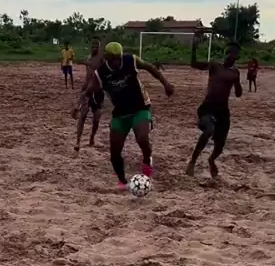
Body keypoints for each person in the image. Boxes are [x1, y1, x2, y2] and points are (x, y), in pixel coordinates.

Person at [82, 42, 174, 189]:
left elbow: (150, 67)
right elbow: (89, 90)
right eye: (113, 59)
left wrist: (166, 83)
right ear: (107, 58)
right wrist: (79, 104)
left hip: (140, 107)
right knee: (114, 151)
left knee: (142, 137)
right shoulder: (101, 72)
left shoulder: (131, 60)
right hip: (120, 113)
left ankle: (147, 160)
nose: (117, 62)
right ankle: (122, 181)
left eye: (118, 58)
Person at [185, 35, 242, 179]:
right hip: (208, 107)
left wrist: (237, 84)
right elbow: (193, 64)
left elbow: (238, 93)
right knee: (209, 130)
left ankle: (211, 160)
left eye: (231, 53)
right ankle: (193, 161)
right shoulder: (215, 66)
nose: (228, 55)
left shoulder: (235, 73)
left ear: (237, 56)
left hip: (222, 111)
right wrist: (194, 47)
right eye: (226, 52)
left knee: (219, 146)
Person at [73, 36, 104, 152]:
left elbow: (98, 67)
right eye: (93, 45)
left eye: (97, 45)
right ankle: (78, 141)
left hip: (98, 91)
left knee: (96, 119)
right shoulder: (88, 58)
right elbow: (80, 62)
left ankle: (92, 138)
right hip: (87, 90)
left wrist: (88, 63)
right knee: (83, 115)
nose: (95, 47)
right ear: (90, 46)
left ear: (100, 47)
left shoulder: (101, 59)